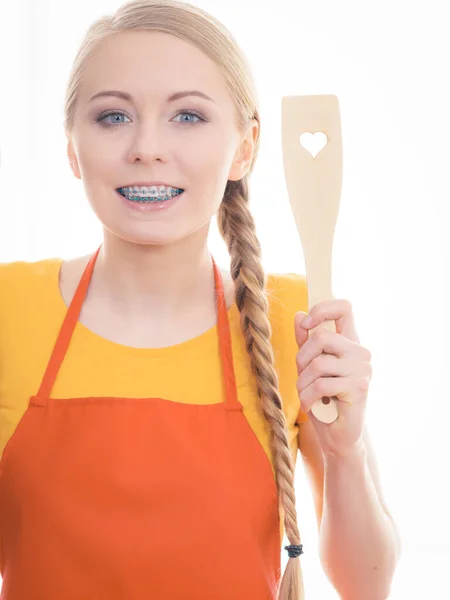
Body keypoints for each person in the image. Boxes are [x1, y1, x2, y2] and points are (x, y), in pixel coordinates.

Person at [0, 1, 400, 599]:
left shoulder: (297, 318)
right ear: (71, 148)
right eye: (112, 116)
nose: (147, 147)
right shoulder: (9, 308)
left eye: (188, 116)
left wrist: (344, 451)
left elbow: (365, 585)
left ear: (245, 148)